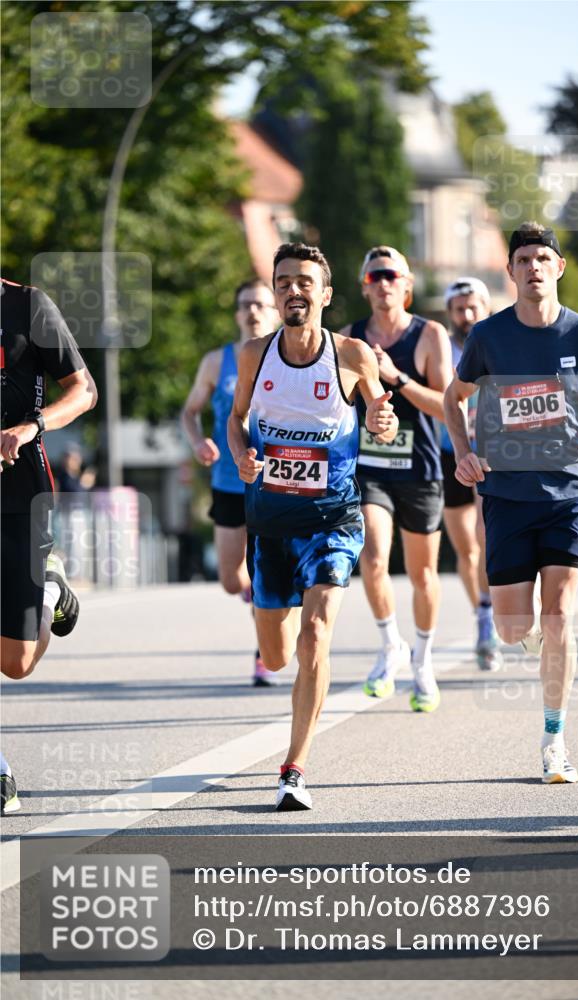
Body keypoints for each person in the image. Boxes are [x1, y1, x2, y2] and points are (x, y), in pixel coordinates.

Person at [444, 222, 578, 784]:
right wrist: (463, 451)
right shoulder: (488, 336)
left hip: (567, 490)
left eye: (542, 258)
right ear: (510, 271)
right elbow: (455, 400)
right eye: (523, 259)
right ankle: (527, 637)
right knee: (511, 628)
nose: (533, 267)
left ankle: (555, 739)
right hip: (505, 493)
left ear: (559, 267)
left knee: (559, 616)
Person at [228, 243, 397, 811]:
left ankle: (293, 768)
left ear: (325, 294)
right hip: (271, 523)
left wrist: (381, 414)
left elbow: (380, 410)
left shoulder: (351, 354)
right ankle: (278, 639)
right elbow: (236, 420)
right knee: (276, 657)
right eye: (283, 282)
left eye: (304, 281)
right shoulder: (254, 354)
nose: (292, 291)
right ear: (274, 293)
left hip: (333, 520)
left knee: (317, 634)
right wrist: (243, 454)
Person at [340, 246, 452, 712]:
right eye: (375, 276)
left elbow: (450, 407)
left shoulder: (430, 335)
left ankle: (422, 660)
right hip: (372, 470)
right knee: (372, 559)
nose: (383, 283)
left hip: (421, 470)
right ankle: (391, 645)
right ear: (365, 286)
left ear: (406, 285)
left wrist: (395, 378)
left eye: (392, 275)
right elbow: (339, 406)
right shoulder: (350, 338)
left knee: (424, 574)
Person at [1, 277, 98, 814]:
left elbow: (85, 391)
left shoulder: (27, 305)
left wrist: (31, 427)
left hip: (19, 495)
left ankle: (51, 588)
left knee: (15, 663)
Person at [182, 279, 280, 686]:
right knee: (230, 579)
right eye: (245, 305)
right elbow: (190, 412)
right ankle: (254, 596)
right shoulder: (215, 361)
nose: (253, 311)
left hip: (275, 482)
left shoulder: (287, 357)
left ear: (274, 311)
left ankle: (264, 653)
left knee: (266, 574)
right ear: (237, 313)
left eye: (260, 304)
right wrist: (198, 441)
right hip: (228, 481)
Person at [441, 277, 502, 671]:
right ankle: (481, 610)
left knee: (484, 536)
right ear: (450, 314)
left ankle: (490, 618)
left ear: (486, 308)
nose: (466, 315)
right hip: (448, 453)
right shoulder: (441, 348)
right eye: (459, 309)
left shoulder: (500, 345)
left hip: (490, 451)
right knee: (465, 548)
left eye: (473, 307)